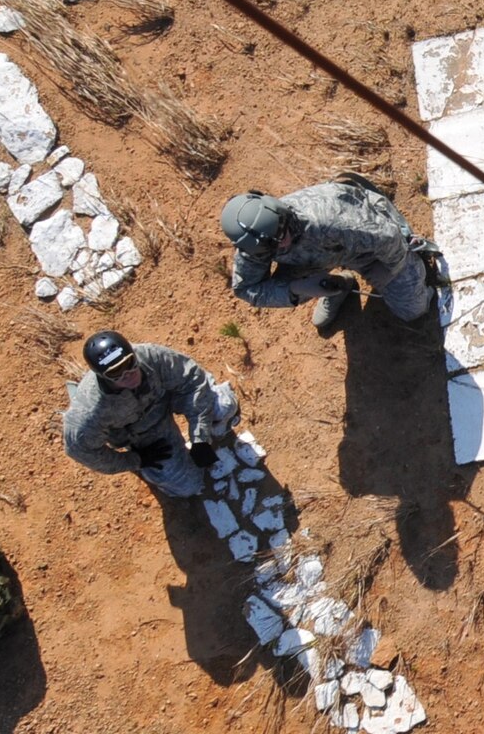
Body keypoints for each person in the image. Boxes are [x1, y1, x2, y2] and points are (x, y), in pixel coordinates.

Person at [220, 177, 439, 335]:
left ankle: (420, 277)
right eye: (271, 245)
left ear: (278, 209)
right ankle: (338, 286)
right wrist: (297, 288)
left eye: (281, 233)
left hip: (370, 246)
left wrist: (388, 269)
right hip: (319, 258)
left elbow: (389, 237)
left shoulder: (330, 220)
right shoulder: (257, 243)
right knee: (288, 281)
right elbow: (246, 288)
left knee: (412, 310)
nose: (282, 243)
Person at [61, 331, 237, 499]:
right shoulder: (89, 412)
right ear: (102, 377)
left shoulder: (150, 355)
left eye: (129, 363)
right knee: (188, 485)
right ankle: (155, 475)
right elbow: (81, 450)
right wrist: (135, 460)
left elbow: (193, 380)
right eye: (115, 373)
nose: (127, 375)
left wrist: (200, 437)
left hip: (165, 399)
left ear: (133, 354)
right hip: (141, 433)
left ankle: (215, 429)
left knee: (224, 404)